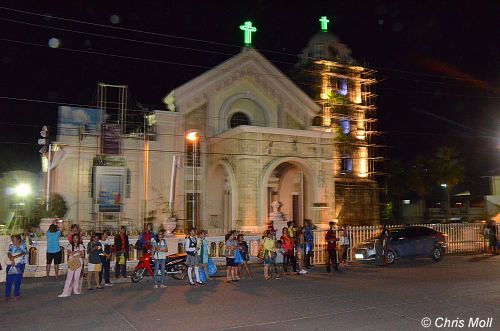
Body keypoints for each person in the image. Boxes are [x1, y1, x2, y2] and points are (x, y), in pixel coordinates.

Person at [5, 234, 27, 301]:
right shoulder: (11, 246)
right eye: (12, 239)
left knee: (17, 281)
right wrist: (12, 259)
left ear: (18, 240)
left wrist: (15, 257)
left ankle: (16, 294)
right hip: (11, 264)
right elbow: (8, 253)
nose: (12, 241)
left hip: (19, 264)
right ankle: (7, 295)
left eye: (14, 239)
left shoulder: (23, 246)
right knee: (9, 280)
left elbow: (23, 253)